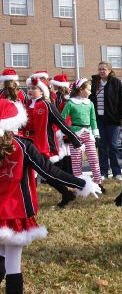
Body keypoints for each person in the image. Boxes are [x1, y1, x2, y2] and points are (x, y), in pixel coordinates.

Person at [0, 98, 101, 294]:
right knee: (13, 265)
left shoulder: (22, 146)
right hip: (16, 214)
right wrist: (83, 183)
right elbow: (50, 172)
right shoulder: (22, 147)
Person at [21, 77, 84, 207]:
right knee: (43, 174)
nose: (30, 90)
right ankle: (67, 193)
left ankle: (76, 187)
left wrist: (75, 140)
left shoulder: (47, 105)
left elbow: (62, 123)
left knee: (48, 173)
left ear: (42, 91)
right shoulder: (26, 104)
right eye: (29, 88)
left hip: (41, 144)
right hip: (27, 144)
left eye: (34, 88)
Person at [61, 78, 105, 193]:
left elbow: (93, 119)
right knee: (76, 161)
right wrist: (67, 132)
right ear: (81, 90)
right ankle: (79, 185)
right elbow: (62, 119)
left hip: (88, 133)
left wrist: (96, 134)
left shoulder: (90, 103)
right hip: (75, 135)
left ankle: (98, 183)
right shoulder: (70, 103)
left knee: (94, 158)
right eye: (88, 90)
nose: (90, 92)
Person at [90, 61, 122, 180]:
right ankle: (103, 172)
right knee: (101, 146)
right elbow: (91, 99)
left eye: (104, 69)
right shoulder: (95, 83)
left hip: (113, 119)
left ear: (109, 71)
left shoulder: (116, 82)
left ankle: (116, 172)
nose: (101, 71)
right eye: (100, 69)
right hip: (99, 119)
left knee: (113, 146)